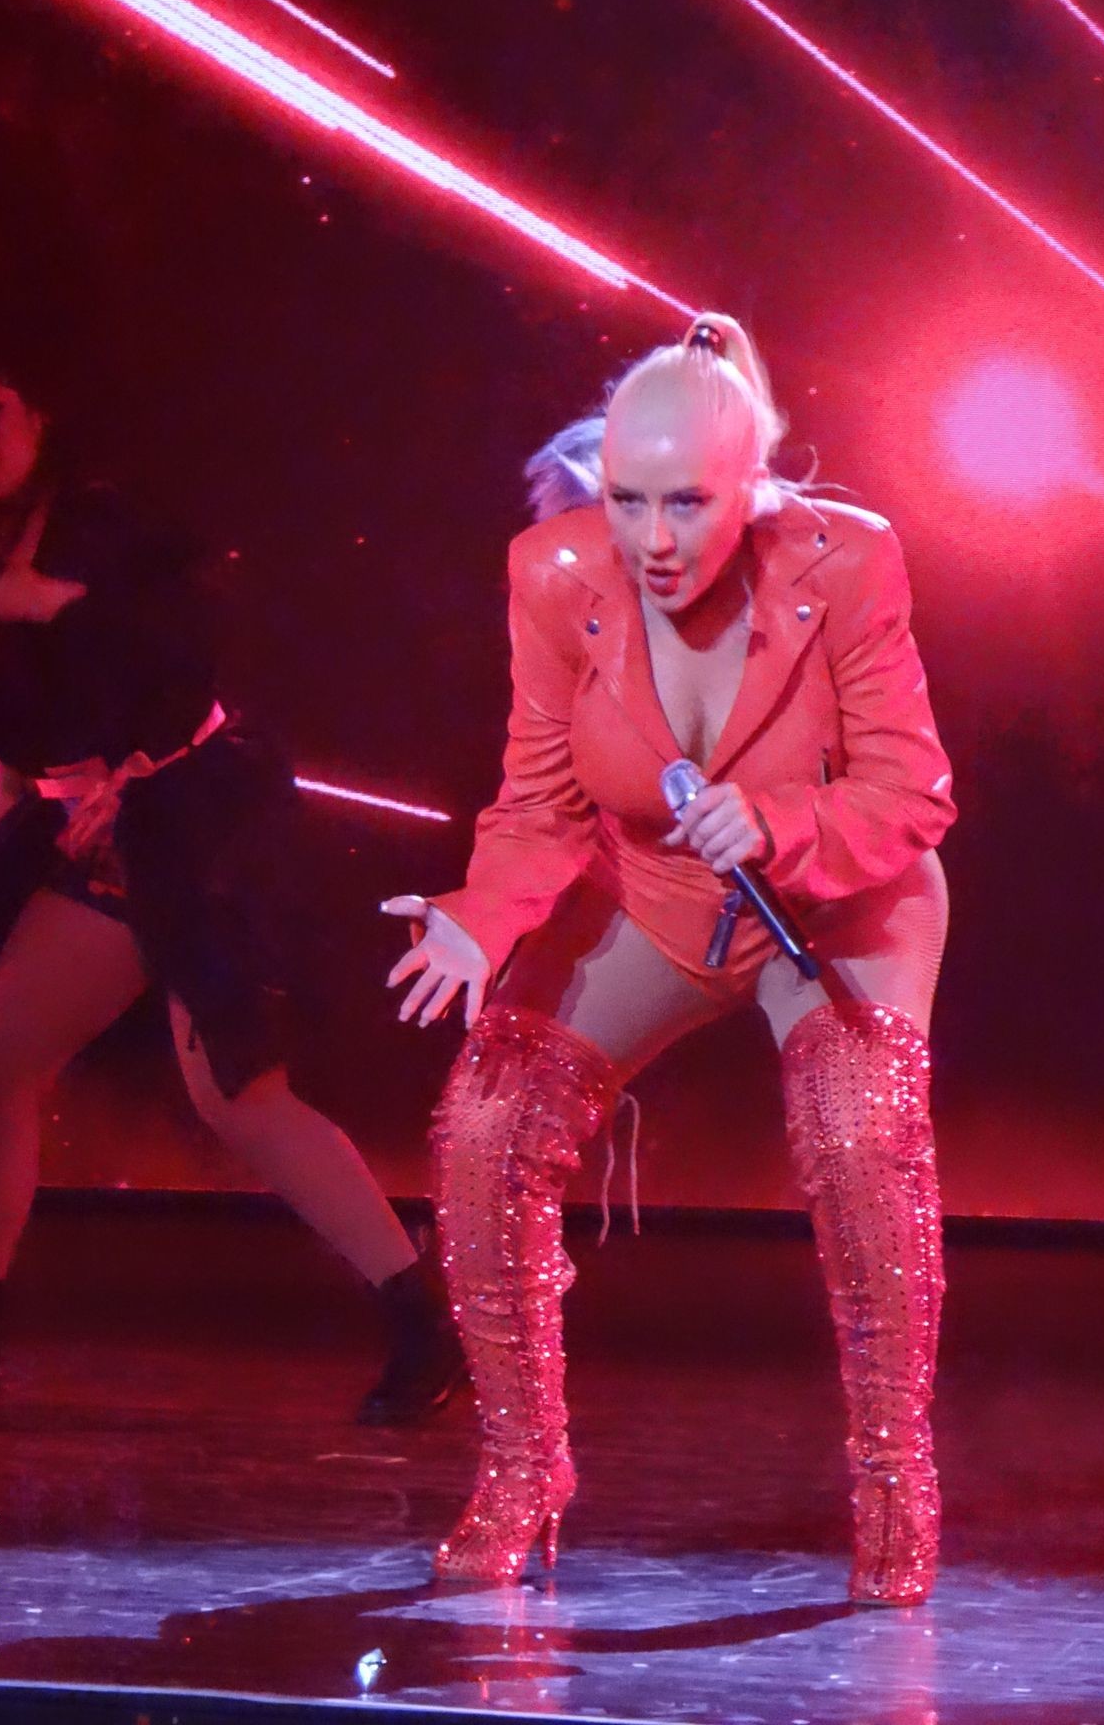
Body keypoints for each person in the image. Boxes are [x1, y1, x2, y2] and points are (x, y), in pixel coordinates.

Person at [382, 314, 956, 1603]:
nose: (651, 538)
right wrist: (481, 914)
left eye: (686, 503)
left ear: (752, 486)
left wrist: (782, 823)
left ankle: (891, 1478)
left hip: (834, 900)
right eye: (628, 498)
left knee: (859, 1133)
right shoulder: (553, 573)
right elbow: (540, 800)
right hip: (653, 895)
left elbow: (911, 794)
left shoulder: (848, 562)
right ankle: (523, 1471)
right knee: (487, 1118)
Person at [0, 350, 455, 1421]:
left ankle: (421, 1319)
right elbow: (14, 746)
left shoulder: (106, 523)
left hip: (200, 824)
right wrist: (20, 840)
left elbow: (189, 653)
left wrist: (52, 608)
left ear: (40, 411)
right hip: (104, 841)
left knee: (238, 1094)